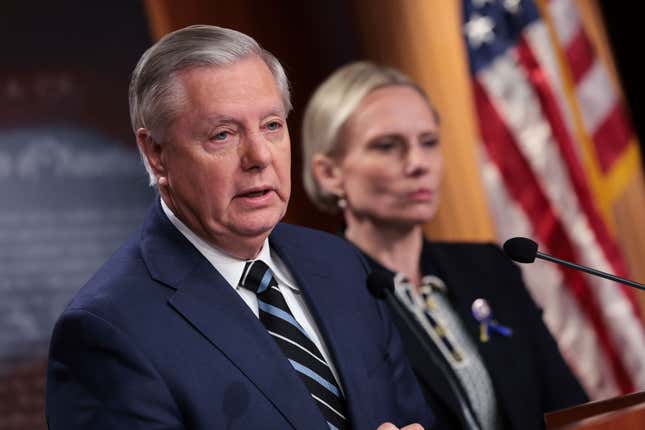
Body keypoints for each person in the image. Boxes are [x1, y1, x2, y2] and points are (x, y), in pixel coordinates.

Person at [45, 26, 433, 430]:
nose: (259, 157)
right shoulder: (106, 331)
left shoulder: (341, 263)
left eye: (271, 126)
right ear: (156, 153)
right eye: (223, 135)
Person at [302, 61, 588, 430]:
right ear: (329, 174)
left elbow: (568, 408)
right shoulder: (322, 301)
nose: (418, 163)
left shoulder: (489, 266)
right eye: (388, 146)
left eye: (429, 142)